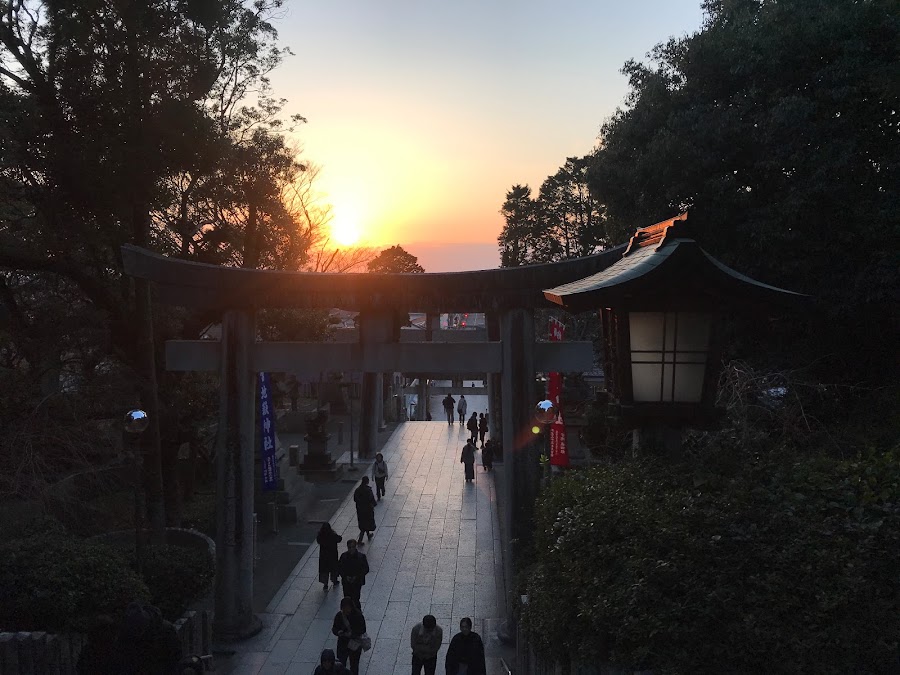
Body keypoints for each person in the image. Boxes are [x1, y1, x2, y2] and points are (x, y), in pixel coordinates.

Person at [332, 597, 367, 675]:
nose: (346, 610)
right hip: (343, 644)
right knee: (341, 663)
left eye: (348, 608)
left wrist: (352, 634)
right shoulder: (339, 616)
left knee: (354, 665)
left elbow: (362, 629)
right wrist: (338, 632)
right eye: (344, 608)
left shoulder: (358, 615)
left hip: (355, 644)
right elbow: (334, 628)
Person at [338, 539, 369, 609]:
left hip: (357, 582)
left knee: (356, 598)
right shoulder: (344, 556)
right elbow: (339, 568)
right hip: (347, 582)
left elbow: (365, 569)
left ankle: (356, 612)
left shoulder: (361, 557)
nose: (351, 549)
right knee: (347, 598)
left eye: (352, 547)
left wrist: (357, 576)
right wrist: (345, 576)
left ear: (355, 547)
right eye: (349, 547)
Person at [317, 522, 343, 591]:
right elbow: (339, 539)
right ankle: (334, 581)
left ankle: (325, 585)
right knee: (333, 569)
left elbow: (318, 541)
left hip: (324, 557)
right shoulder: (332, 535)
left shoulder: (320, 535)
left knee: (324, 570)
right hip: (332, 556)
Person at [354, 476, 377, 544]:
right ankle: (360, 540)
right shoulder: (368, 490)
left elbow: (355, 499)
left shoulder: (357, 490)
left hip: (360, 510)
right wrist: (374, 504)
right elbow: (371, 498)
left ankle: (368, 535)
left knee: (363, 523)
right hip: (367, 510)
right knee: (366, 524)